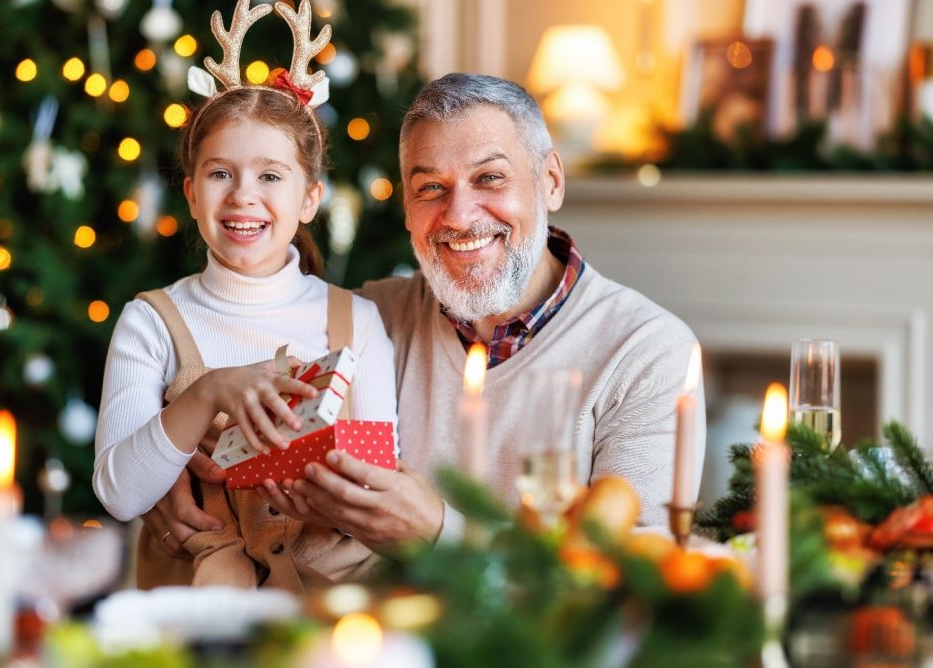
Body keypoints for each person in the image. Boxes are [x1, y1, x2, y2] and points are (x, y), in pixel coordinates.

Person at [146, 72, 706, 559]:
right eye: (430, 187)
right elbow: (216, 368)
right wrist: (164, 470)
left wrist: (437, 534)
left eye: (490, 178)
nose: (459, 216)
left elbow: (632, 585)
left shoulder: (648, 352)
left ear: (551, 182)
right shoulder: (364, 319)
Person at [92, 0, 398, 591]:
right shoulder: (152, 322)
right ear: (190, 193)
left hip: (332, 614)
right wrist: (208, 394)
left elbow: (376, 477)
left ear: (310, 198)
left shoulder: (354, 320)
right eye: (219, 173)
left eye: (271, 176)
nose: (242, 197)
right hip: (192, 618)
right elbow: (120, 493)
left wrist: (316, 491)